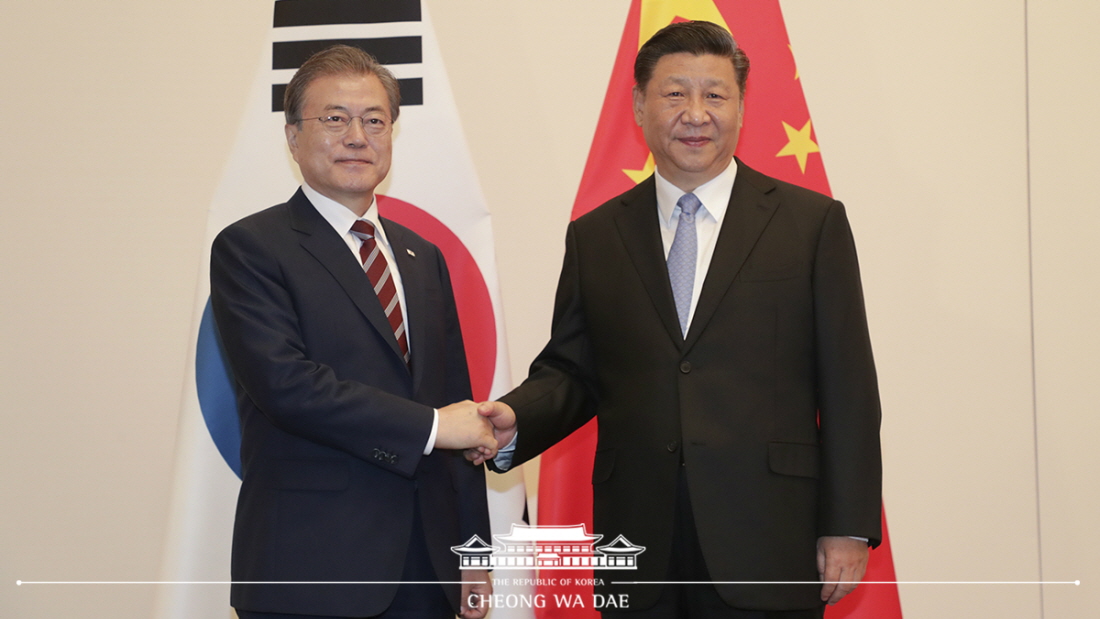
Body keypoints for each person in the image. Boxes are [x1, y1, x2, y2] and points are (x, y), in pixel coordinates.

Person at [471, 21, 882, 619]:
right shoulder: (597, 235)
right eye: (674, 94)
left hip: (768, 534)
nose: (696, 113)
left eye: (715, 95)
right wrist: (516, 419)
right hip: (639, 540)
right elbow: (574, 371)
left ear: (740, 106)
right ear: (640, 106)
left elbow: (848, 385)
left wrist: (847, 525)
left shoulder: (811, 224)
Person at [210, 45, 495, 619]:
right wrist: (436, 426)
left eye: (374, 120)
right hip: (312, 567)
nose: (357, 136)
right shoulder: (251, 248)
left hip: (427, 568)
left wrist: (474, 552)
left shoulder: (423, 257)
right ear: (292, 137)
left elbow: (458, 407)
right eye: (334, 118)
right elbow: (288, 387)